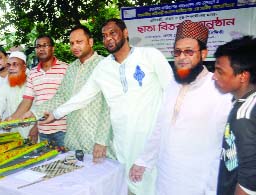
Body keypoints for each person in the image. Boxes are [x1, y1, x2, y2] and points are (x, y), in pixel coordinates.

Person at [39, 18, 173, 194]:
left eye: (113, 33)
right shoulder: (103, 68)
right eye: (104, 35)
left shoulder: (150, 56)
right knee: (130, 186)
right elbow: (82, 97)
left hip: (151, 139)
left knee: (157, 185)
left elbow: (171, 92)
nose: (108, 38)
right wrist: (55, 114)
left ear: (125, 33)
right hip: (122, 142)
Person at [128, 20, 232, 195]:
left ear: (203, 54)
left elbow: (232, 142)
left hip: (200, 181)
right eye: (177, 52)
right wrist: (143, 160)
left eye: (189, 51)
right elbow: (160, 127)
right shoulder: (172, 85)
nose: (182, 57)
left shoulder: (220, 89)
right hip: (167, 175)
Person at [23, 25, 115, 160]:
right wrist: (35, 112)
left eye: (79, 42)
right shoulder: (71, 68)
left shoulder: (104, 65)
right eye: (72, 43)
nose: (75, 47)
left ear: (90, 42)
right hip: (74, 139)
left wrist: (102, 140)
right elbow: (61, 96)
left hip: (97, 139)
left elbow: (109, 105)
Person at [213, 36, 256, 195]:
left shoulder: (244, 115)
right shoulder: (245, 102)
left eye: (220, 71)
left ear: (243, 76)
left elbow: (250, 179)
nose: (214, 76)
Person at [11, 35, 69, 147]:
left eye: (45, 45)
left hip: (64, 129)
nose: (41, 49)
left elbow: (67, 98)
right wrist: (13, 118)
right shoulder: (32, 73)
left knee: (68, 162)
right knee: (48, 164)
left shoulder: (66, 69)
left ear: (53, 48)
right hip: (43, 131)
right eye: (38, 46)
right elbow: (27, 100)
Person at [0, 51, 35, 138]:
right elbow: (0, 100)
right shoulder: (7, 81)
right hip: (13, 131)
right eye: (9, 65)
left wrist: (36, 127)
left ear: (24, 67)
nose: (11, 68)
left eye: (15, 64)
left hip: (31, 129)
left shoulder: (33, 80)